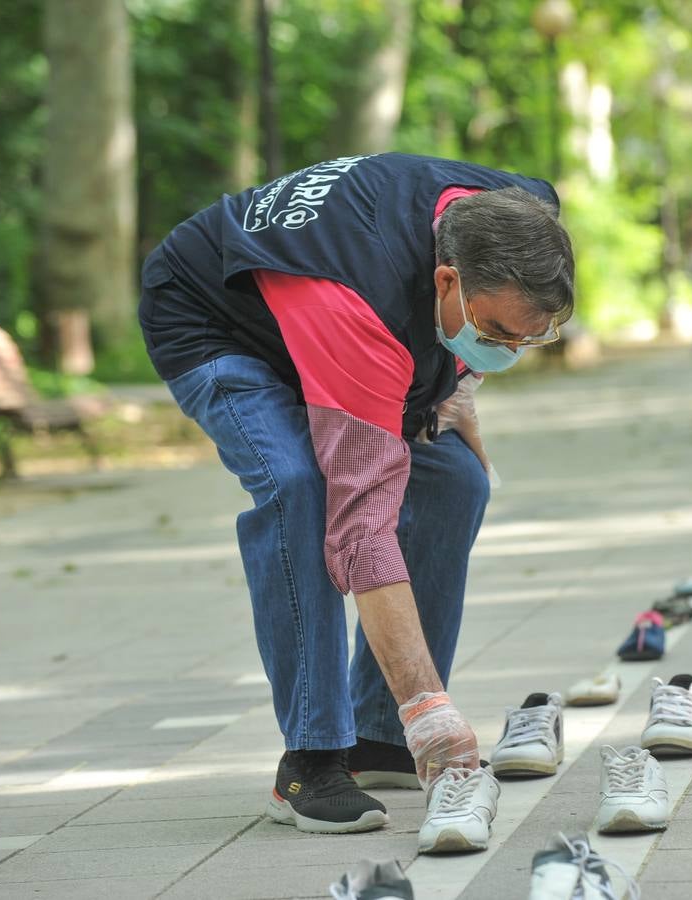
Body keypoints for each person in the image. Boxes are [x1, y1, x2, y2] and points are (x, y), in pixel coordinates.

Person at [138, 153, 574, 834]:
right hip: (219, 319)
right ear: (447, 279)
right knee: (301, 489)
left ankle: (377, 737)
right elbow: (362, 525)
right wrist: (427, 703)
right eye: (494, 335)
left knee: (454, 479)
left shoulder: (521, 209)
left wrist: (461, 384)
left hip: (350, 311)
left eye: (529, 338)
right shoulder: (356, 298)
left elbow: (480, 333)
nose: (509, 350)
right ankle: (310, 761)